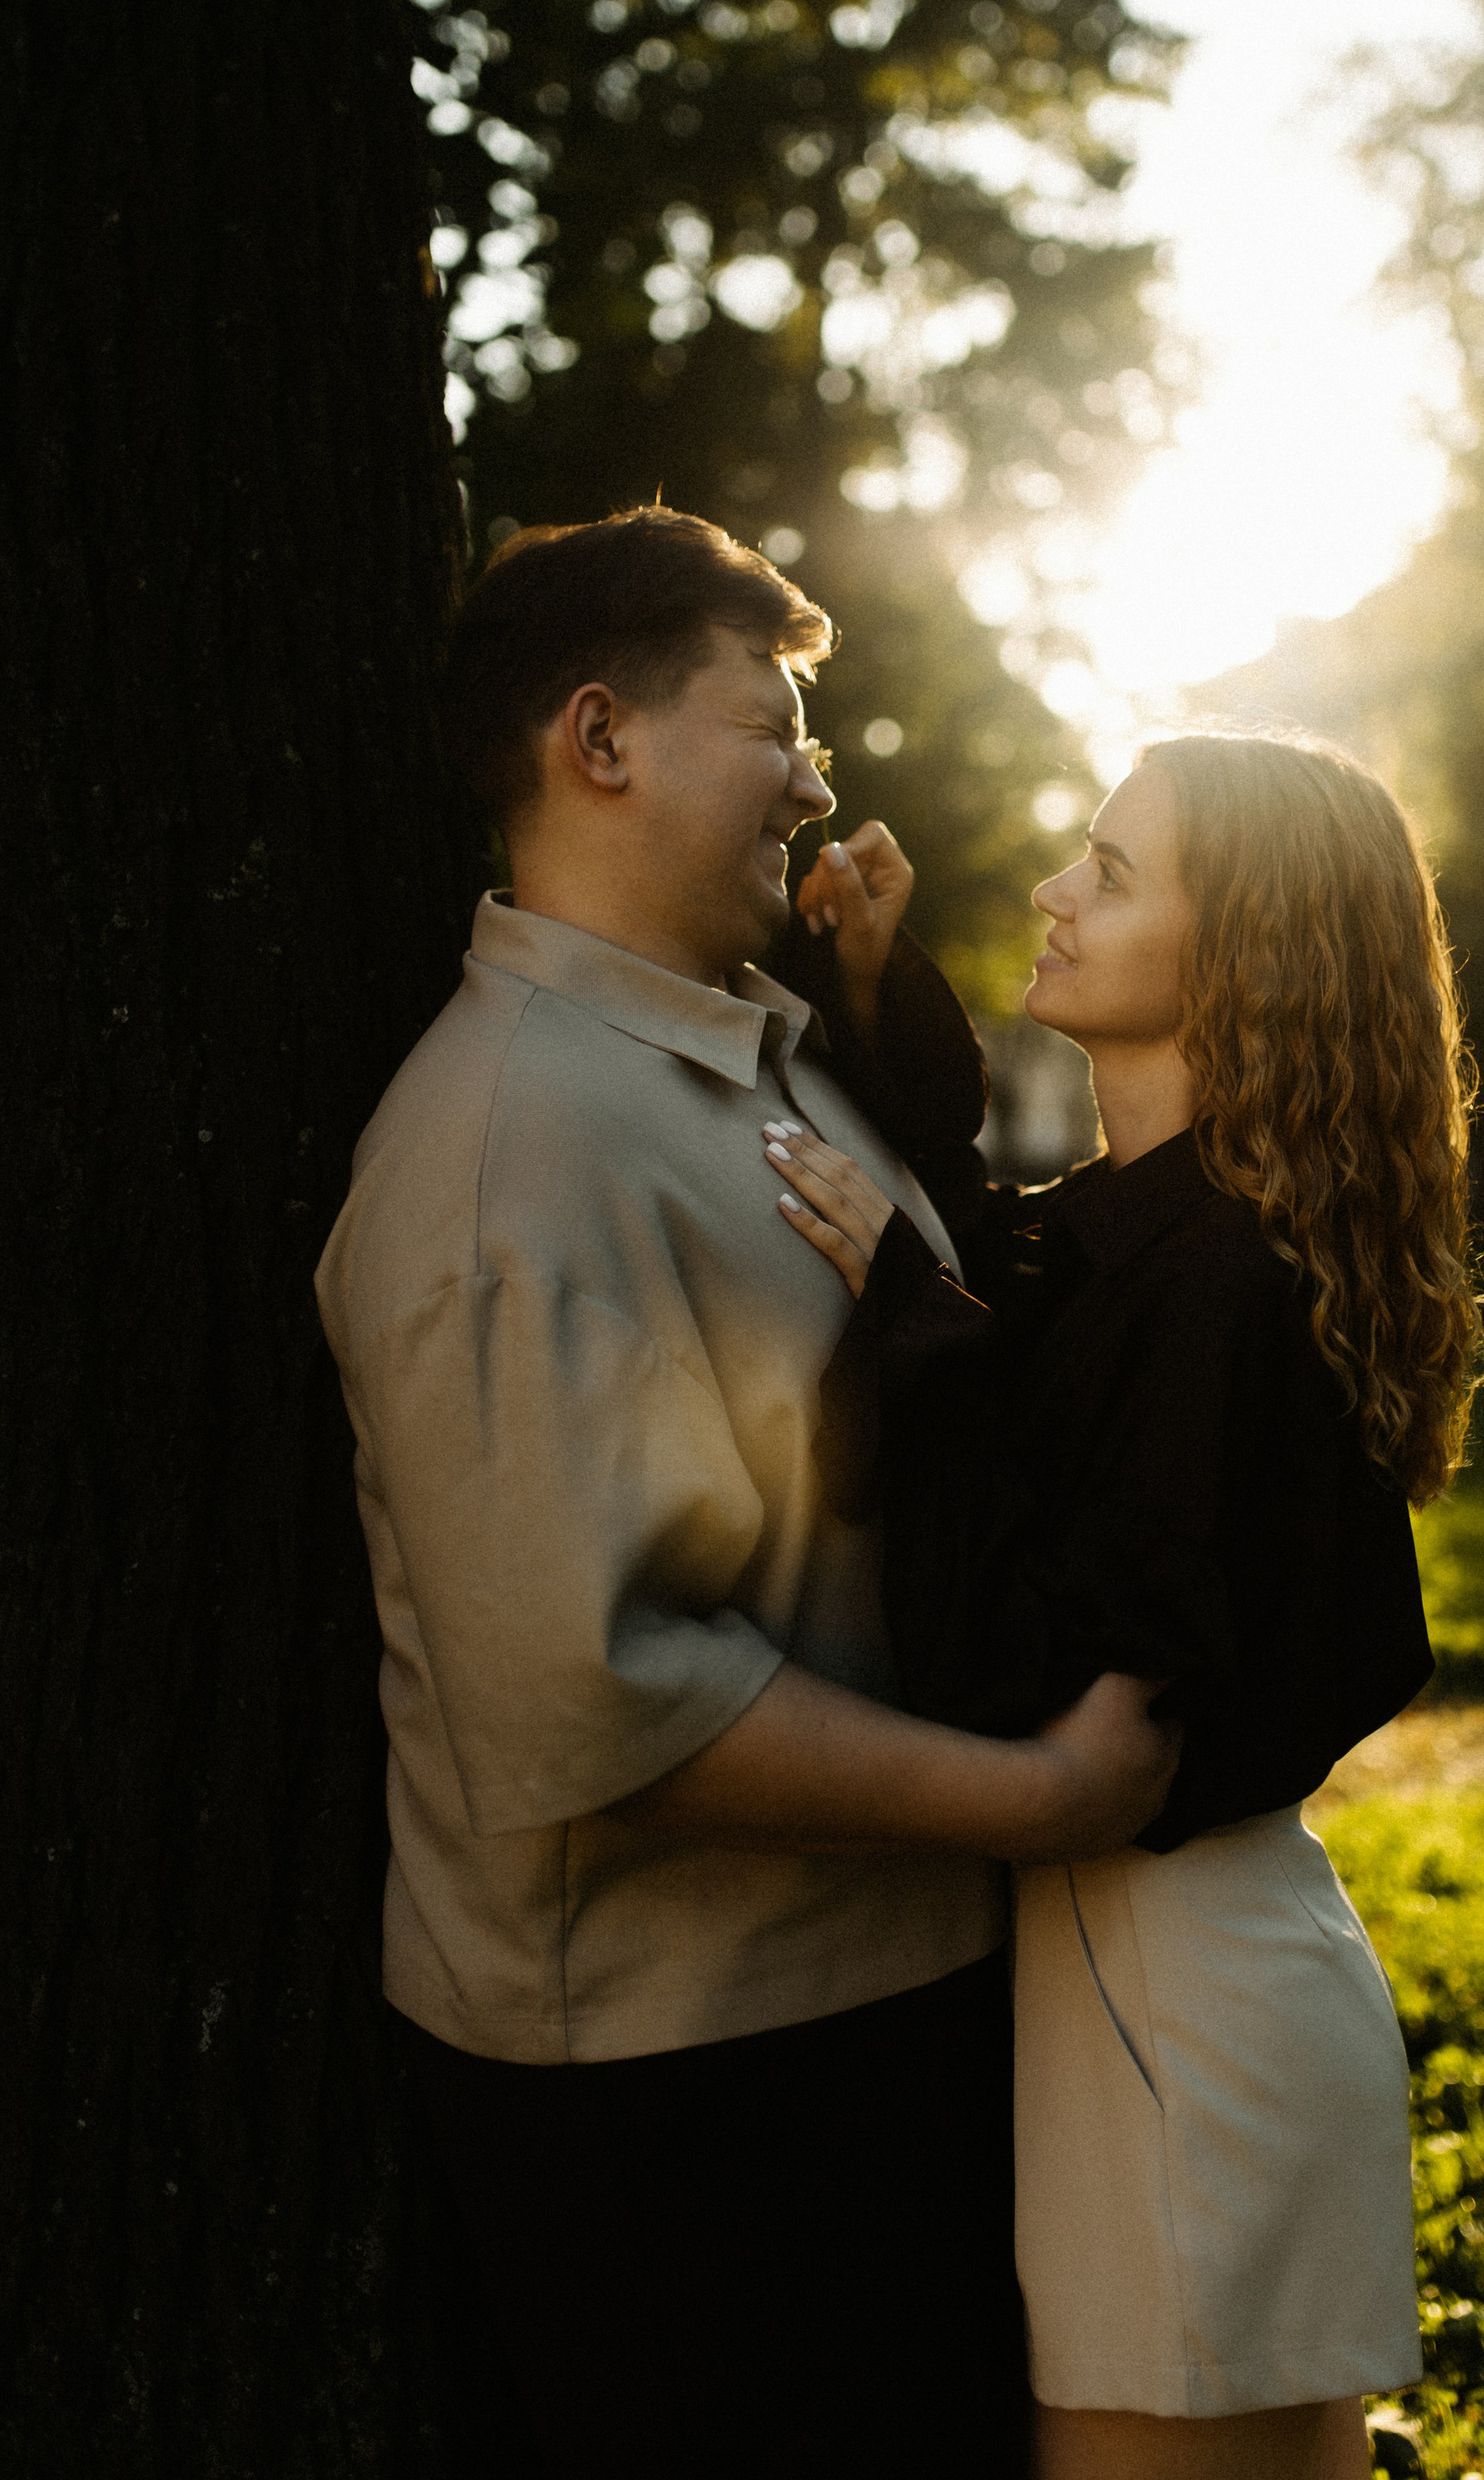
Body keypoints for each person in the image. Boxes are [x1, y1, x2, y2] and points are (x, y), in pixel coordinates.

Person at [313, 507, 1178, 2480]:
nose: (817, 770)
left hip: (869, 2017)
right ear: (599, 742)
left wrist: (880, 998)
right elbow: (609, 1703)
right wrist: (1042, 1801)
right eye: (773, 722)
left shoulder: (740, 1065)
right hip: (683, 2087)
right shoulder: (505, 1157)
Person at [766, 730, 1484, 2480]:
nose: (1047, 889)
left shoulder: (1221, 1281)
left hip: (1175, 2003)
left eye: (1108, 868)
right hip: (1166, 1983)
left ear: (1236, 950)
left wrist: (895, 1297)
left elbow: (1030, 1658)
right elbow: (994, 1273)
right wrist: (868, 991)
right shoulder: (1149, 1237)